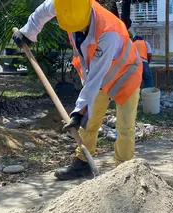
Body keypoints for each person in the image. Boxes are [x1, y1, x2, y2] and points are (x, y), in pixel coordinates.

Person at [13, 0, 143, 181]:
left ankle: (123, 171)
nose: (78, 31)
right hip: (96, 76)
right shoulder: (64, 4)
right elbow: (42, 12)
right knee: (89, 123)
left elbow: (96, 78)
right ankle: (83, 163)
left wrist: (77, 112)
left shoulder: (109, 33)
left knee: (125, 126)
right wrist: (28, 32)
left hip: (125, 74)